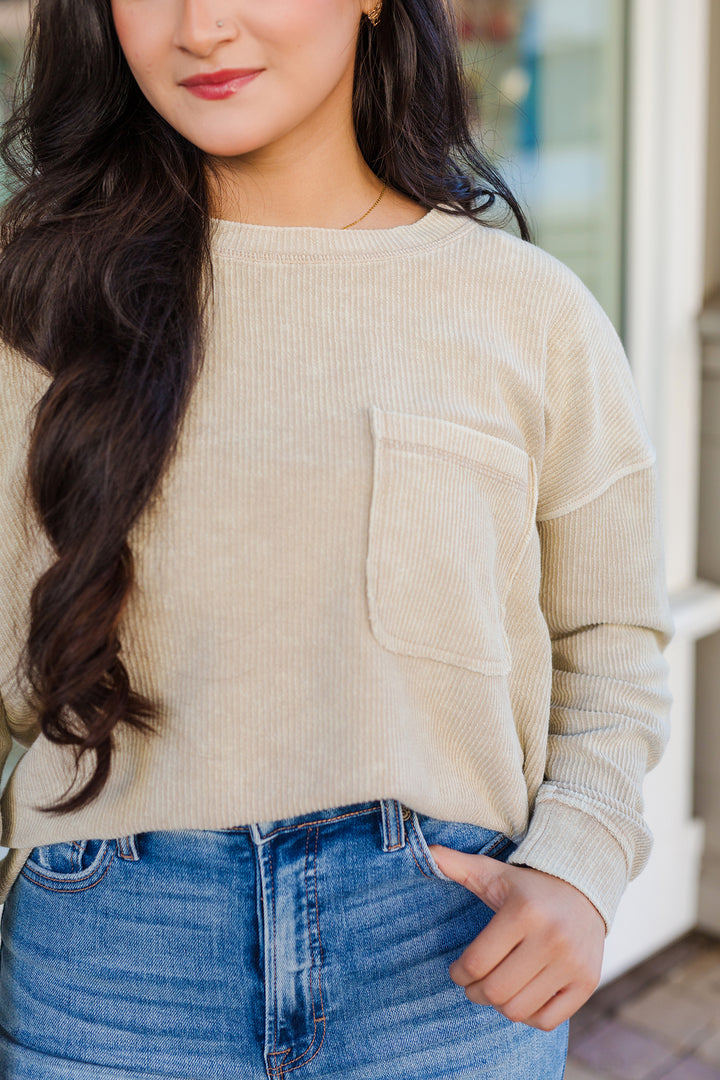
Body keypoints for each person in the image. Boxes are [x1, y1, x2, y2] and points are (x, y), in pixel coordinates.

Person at [0, 0, 672, 1077]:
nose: (200, 25)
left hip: (445, 963)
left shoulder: (527, 313)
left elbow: (611, 644)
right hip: (109, 972)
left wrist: (582, 864)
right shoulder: (27, 297)